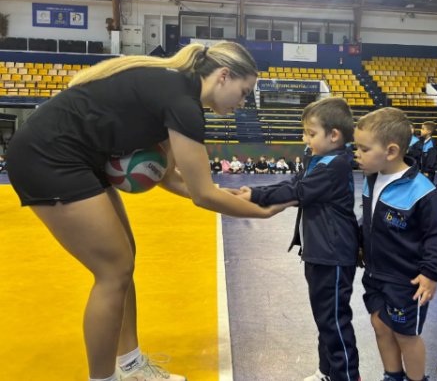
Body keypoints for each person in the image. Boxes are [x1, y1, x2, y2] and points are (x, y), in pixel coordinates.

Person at [5, 42, 292, 381]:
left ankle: (130, 365)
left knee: (124, 261)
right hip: (48, 157)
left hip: (75, 156)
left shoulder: (175, 88)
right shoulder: (183, 103)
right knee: (113, 270)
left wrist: (225, 194)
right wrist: (261, 212)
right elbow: (201, 195)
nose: (243, 103)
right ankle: (103, 379)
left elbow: (171, 179)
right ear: (224, 76)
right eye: (244, 93)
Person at [238, 97, 361, 381]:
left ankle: (347, 376)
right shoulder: (317, 159)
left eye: (311, 133)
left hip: (333, 255)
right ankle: (327, 372)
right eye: (304, 132)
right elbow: (293, 184)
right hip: (319, 252)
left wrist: (256, 196)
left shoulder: (335, 165)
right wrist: (256, 191)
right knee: (324, 318)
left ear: (334, 135)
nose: (305, 138)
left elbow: (300, 192)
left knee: (334, 321)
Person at [354, 107, 437, 381]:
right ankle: (392, 375)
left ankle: (416, 379)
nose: (356, 154)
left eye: (363, 148)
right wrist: (361, 243)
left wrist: (431, 273)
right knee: (379, 324)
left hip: (406, 280)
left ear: (391, 151)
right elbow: (370, 220)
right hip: (375, 274)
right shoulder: (371, 180)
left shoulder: (423, 191)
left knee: (406, 335)